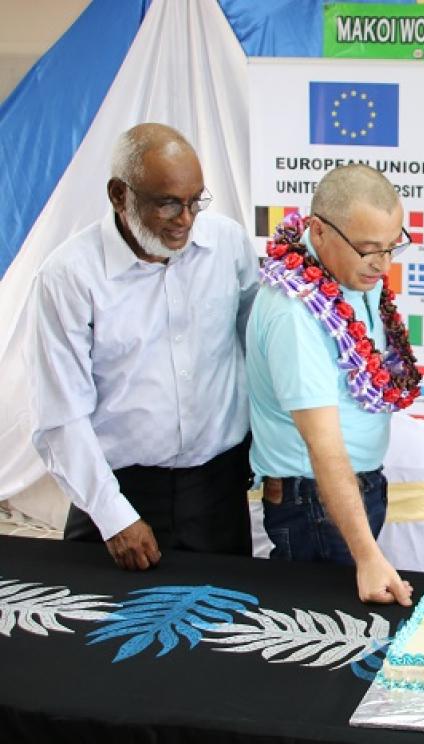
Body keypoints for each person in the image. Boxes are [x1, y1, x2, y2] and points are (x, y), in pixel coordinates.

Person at [30, 123, 257, 570]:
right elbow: (60, 414)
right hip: (119, 492)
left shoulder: (227, 243)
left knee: (224, 630)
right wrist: (113, 517)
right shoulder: (69, 277)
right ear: (120, 195)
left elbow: (256, 349)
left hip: (218, 490)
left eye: (196, 201)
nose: (186, 219)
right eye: (169, 203)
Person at [247, 164, 419, 605]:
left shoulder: (353, 274)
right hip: (315, 505)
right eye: (368, 250)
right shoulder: (295, 313)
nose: (381, 264)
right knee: (326, 640)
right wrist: (367, 554)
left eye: (391, 247)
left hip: (352, 492)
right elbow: (322, 445)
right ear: (318, 232)